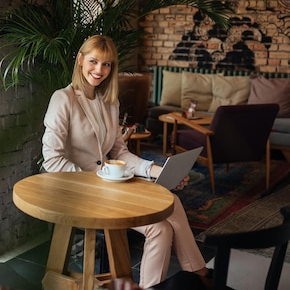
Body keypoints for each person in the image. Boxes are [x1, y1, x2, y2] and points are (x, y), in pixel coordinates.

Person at [41, 34, 211, 289]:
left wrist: (157, 170)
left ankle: (182, 277)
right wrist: (92, 182)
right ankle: (200, 276)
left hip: (108, 185)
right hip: (78, 190)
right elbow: (52, 158)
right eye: (94, 61)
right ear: (80, 60)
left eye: (107, 64)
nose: (99, 70)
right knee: (159, 226)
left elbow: (119, 153)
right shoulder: (63, 99)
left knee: (167, 216)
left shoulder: (109, 102)